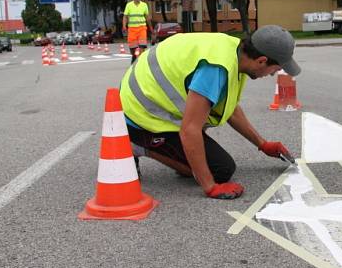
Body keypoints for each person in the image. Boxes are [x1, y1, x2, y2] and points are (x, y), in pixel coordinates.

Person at [120, 25, 301, 200]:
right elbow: (190, 130)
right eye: (274, 70)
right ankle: (136, 145)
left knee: (205, 157)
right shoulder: (216, 68)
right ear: (261, 61)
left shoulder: (234, 52)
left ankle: (174, 155)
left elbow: (229, 109)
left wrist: (263, 144)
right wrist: (210, 186)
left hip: (151, 101)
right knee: (220, 170)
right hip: (140, 113)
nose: (271, 75)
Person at [121, 0, 152, 64]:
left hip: (142, 28)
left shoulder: (144, 5)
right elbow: (125, 17)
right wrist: (124, 26)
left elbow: (147, 17)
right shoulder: (129, 5)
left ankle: (140, 62)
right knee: (133, 49)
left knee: (142, 46)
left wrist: (151, 28)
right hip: (132, 30)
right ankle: (134, 58)